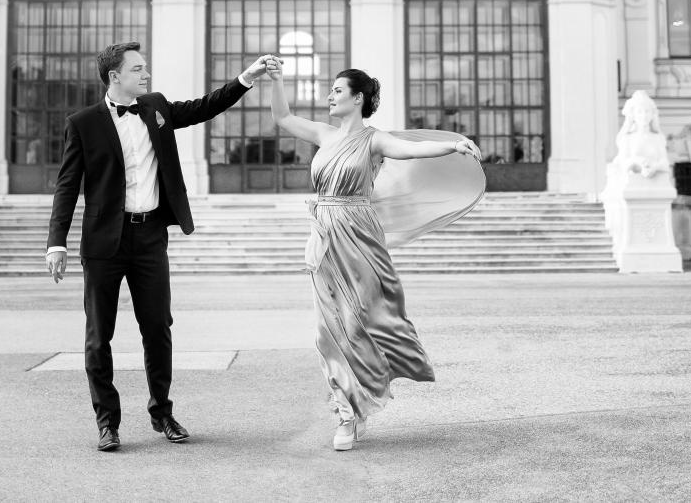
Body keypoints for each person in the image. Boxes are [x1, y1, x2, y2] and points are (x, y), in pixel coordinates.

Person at [46, 42, 278, 453]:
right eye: (138, 69)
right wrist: (56, 242)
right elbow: (67, 186)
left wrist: (247, 77)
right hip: (103, 242)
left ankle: (162, 412)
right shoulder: (82, 124)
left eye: (145, 68)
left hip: (150, 236)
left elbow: (205, 107)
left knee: (157, 329)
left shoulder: (156, 107)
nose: (146, 74)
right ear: (115, 76)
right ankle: (107, 422)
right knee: (99, 336)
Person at [267, 65, 484, 451]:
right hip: (324, 237)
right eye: (331, 90)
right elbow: (283, 117)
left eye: (337, 90)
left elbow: (413, 150)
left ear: (358, 98)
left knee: (356, 325)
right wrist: (277, 81)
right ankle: (346, 413)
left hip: (361, 237)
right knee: (327, 329)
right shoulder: (323, 134)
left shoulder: (375, 140)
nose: (330, 96)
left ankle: (361, 400)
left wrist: (453, 145)